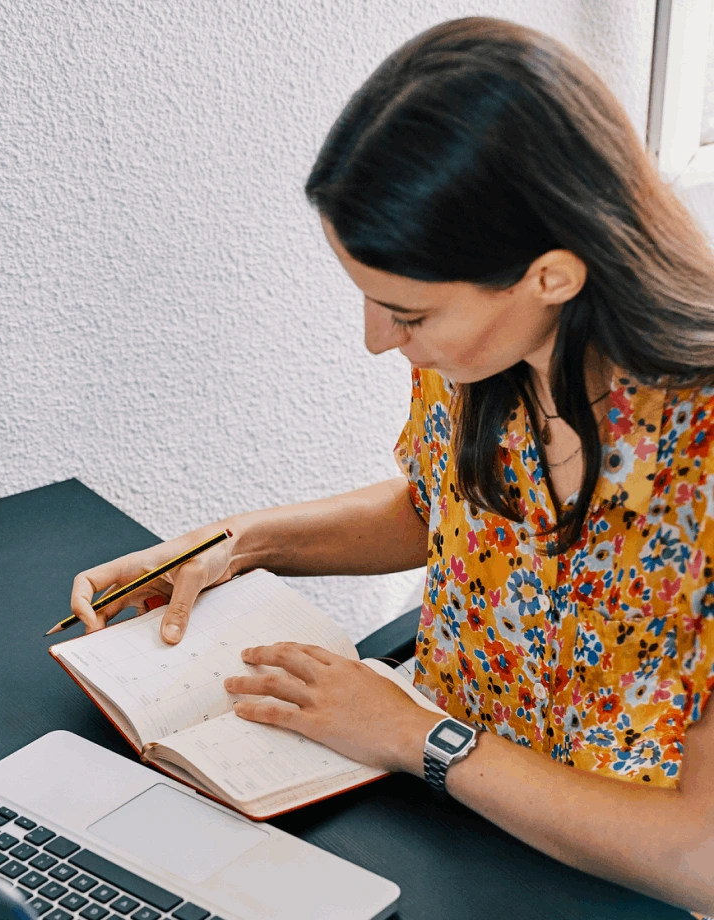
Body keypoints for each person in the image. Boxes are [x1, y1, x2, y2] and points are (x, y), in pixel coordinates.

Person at [71, 16, 714, 916]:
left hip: (600, 869)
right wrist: (236, 544)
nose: (378, 342)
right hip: (435, 802)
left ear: (553, 276)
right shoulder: (479, 361)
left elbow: (696, 856)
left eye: (407, 314)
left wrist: (417, 737)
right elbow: (444, 514)